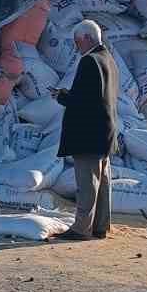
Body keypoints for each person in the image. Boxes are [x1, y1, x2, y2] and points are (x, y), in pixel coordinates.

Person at [53, 18, 120, 241]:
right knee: (102, 183)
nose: (76, 46)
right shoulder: (108, 59)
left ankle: (82, 229)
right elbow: (96, 97)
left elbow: (83, 100)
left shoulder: (89, 61)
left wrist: (62, 96)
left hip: (88, 134)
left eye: (77, 41)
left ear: (87, 39)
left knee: (87, 184)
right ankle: (101, 226)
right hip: (105, 132)